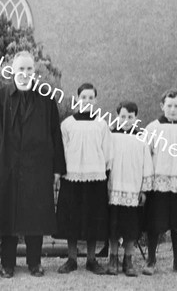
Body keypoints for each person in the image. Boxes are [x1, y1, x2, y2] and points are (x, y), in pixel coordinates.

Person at [0, 51, 66, 278]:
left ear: (34, 72)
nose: (25, 74)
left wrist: (57, 168)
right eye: (21, 69)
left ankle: (34, 262)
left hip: (38, 168)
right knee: (7, 214)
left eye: (29, 69)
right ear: (12, 70)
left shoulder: (46, 99)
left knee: (35, 215)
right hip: (6, 166)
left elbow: (55, 135)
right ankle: (7, 263)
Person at [55, 83, 111, 275]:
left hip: (95, 179)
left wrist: (106, 173)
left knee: (93, 219)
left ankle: (91, 260)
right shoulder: (67, 124)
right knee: (72, 219)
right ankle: (71, 259)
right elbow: (62, 149)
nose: (86, 101)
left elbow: (107, 152)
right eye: (83, 97)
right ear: (77, 99)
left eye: (90, 97)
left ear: (95, 100)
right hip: (72, 178)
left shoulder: (102, 124)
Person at [143, 89, 177, 276]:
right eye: (169, 105)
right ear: (162, 106)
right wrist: (146, 180)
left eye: (176, 106)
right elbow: (145, 155)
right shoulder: (152, 128)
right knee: (155, 221)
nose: (172, 109)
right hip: (159, 182)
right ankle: (151, 260)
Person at [105, 101, 153, 276]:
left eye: (130, 117)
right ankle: (113, 258)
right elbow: (105, 161)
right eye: (123, 116)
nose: (126, 120)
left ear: (136, 118)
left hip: (133, 189)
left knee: (131, 226)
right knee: (113, 225)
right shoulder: (110, 136)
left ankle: (128, 259)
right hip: (114, 188)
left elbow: (147, 165)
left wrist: (144, 190)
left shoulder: (141, 138)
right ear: (117, 116)